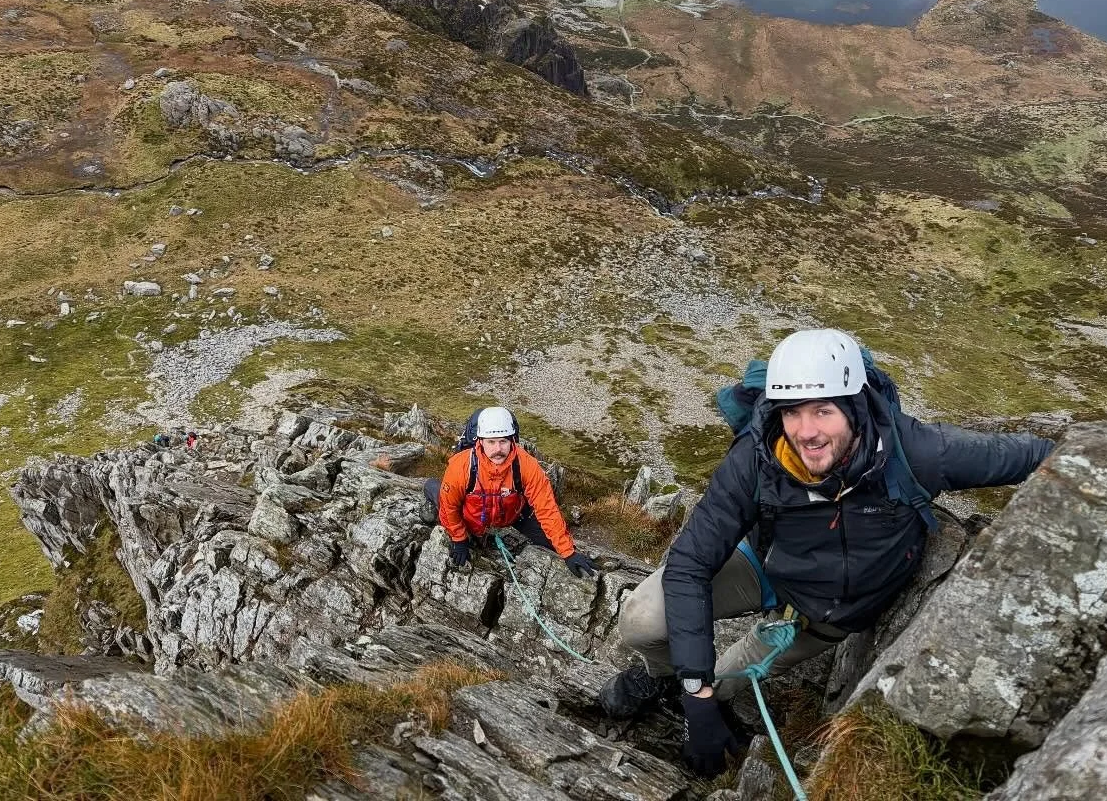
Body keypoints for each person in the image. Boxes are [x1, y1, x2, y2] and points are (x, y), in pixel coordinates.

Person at [598, 328, 1056, 776]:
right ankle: (662, 677)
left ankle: (710, 690)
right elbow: (689, 566)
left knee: (725, 684)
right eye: (792, 413)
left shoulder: (916, 452)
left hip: (827, 617)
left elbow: (1035, 454)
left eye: (823, 411)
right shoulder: (756, 459)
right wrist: (693, 692)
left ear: (855, 409)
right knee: (642, 619)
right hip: (766, 568)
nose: (806, 431)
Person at [424, 405, 597, 577]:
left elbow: (547, 508)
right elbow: (450, 507)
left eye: (503, 441)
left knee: (551, 543)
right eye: (491, 442)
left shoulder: (526, 465)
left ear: (512, 440)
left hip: (513, 513)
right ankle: (431, 487)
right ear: (480, 441)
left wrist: (568, 552)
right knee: (443, 499)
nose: (497, 449)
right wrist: (459, 538)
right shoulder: (461, 466)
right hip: (471, 514)